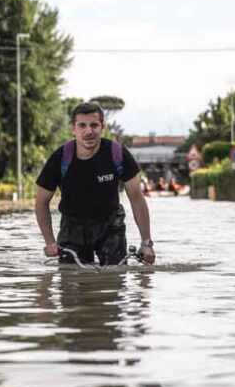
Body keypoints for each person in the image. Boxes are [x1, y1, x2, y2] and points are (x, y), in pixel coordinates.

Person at [35, 101, 156, 265]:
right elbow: (41, 202)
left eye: (94, 125)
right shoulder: (60, 158)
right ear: (73, 128)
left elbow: (136, 198)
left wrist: (146, 243)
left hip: (111, 226)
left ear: (102, 126)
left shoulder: (118, 153)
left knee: (114, 278)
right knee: (70, 282)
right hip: (72, 228)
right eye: (82, 126)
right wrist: (50, 242)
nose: (88, 131)